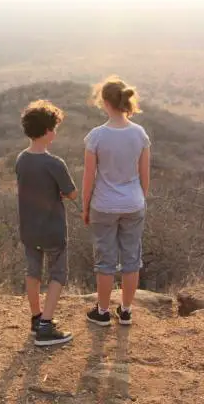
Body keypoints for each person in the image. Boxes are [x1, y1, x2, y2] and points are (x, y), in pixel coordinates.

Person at [82, 77, 151, 326]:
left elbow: (89, 177)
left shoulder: (96, 136)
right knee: (132, 260)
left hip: (104, 205)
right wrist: (140, 199)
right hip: (133, 203)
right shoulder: (139, 134)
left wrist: (85, 206)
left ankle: (102, 312)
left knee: (105, 261)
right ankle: (126, 311)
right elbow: (145, 175)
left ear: (105, 103)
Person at [15, 100, 77, 346]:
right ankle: (46, 326)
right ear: (48, 131)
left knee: (33, 272)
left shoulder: (21, 159)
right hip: (52, 229)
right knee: (58, 274)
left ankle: (36, 317)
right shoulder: (54, 163)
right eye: (55, 128)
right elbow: (71, 193)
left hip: (29, 228)